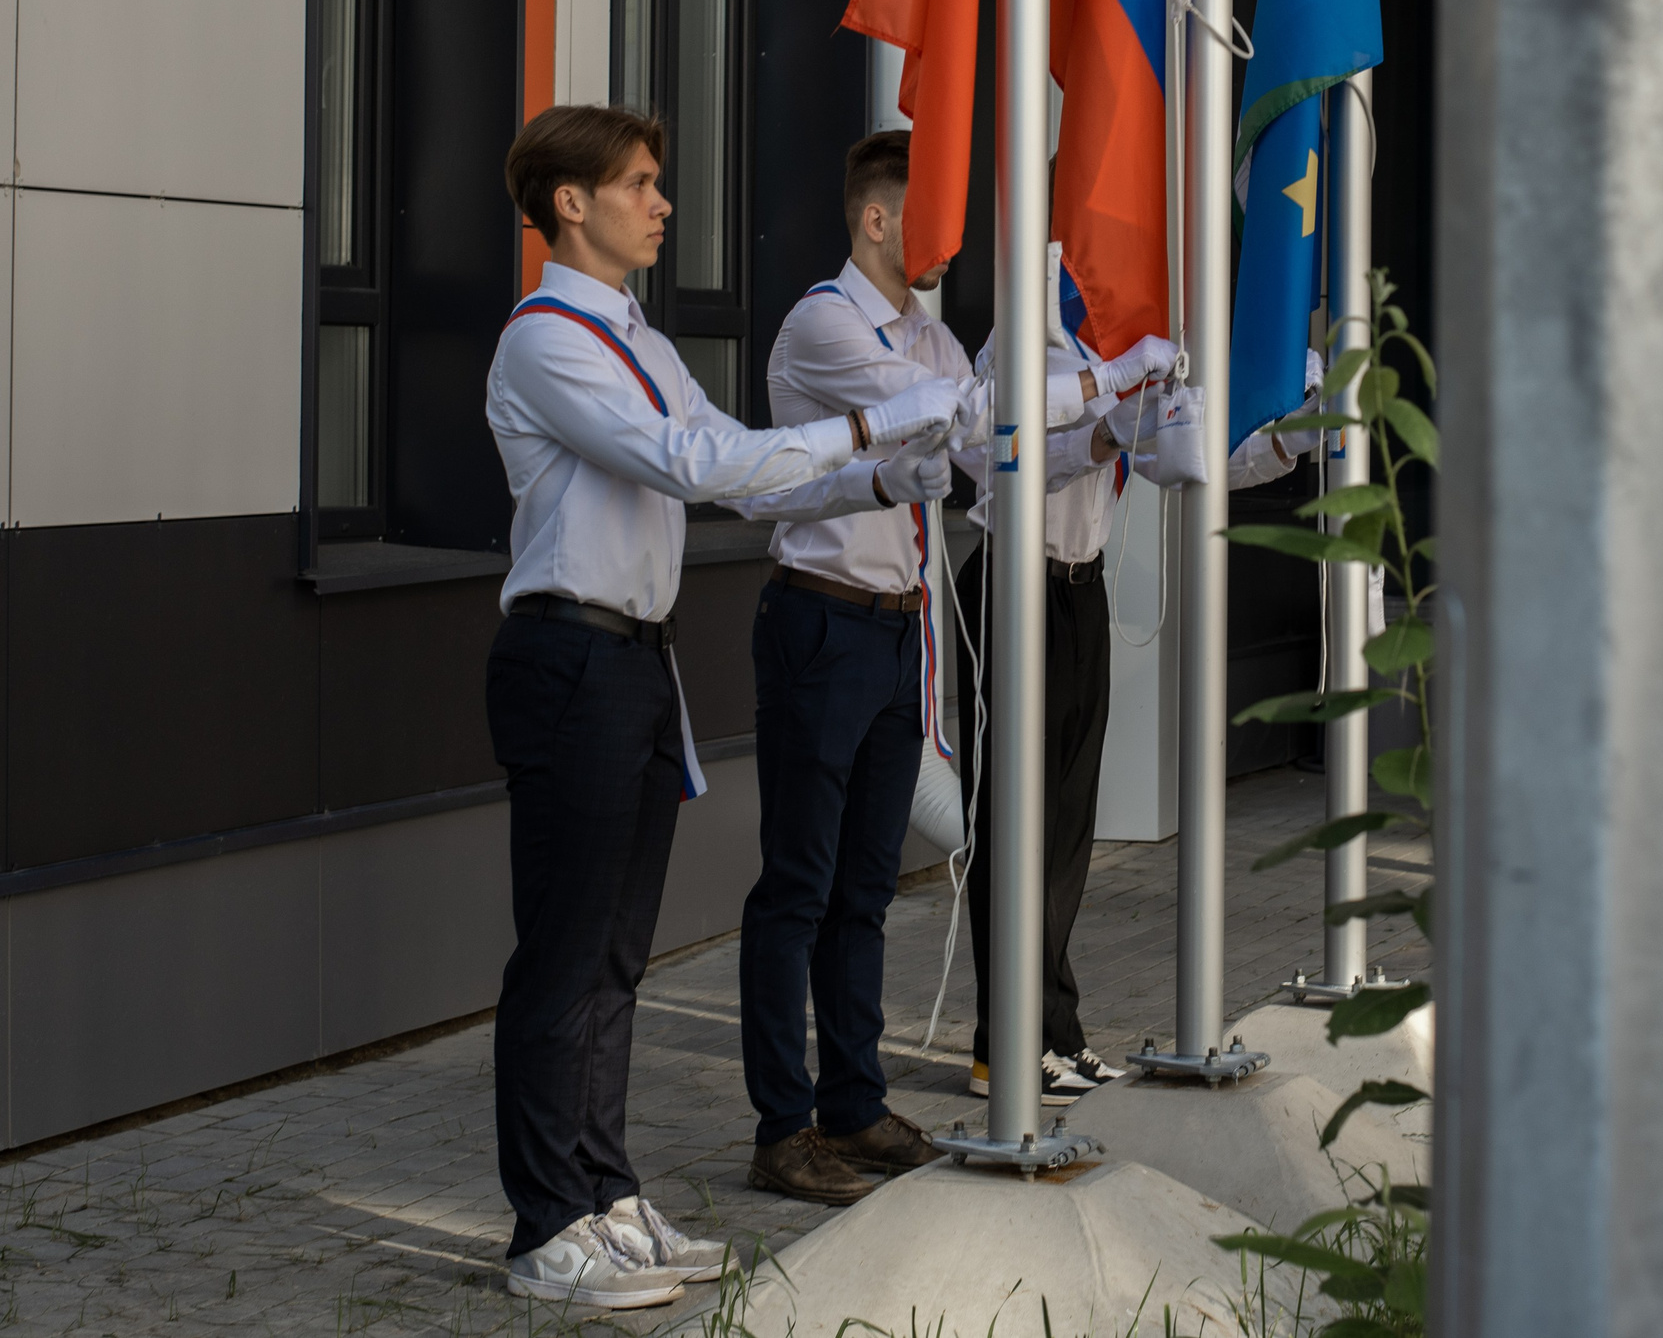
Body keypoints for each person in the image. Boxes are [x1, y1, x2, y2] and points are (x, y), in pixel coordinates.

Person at [483, 105, 957, 1308]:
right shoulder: (546, 338)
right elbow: (691, 466)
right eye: (641, 183)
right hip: (569, 658)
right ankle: (547, 1225)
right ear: (571, 204)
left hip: (635, 659)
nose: (664, 202)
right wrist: (882, 421)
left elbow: (738, 454)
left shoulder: (635, 332)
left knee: (618, 956)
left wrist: (871, 474)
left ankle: (602, 1188)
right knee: (565, 952)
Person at [729, 132, 1170, 1196]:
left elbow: (987, 457)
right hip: (822, 619)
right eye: (926, 215)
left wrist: (1102, 435)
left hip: (897, 624)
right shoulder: (826, 323)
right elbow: (962, 416)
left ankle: (855, 1100)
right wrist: (1104, 379)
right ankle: (784, 1124)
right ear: (876, 220)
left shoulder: (928, 338)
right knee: (799, 882)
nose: (947, 238)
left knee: (867, 885)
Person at [951, 301, 1322, 1104]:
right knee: (1017, 823)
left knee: (1069, 827)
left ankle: (1055, 1029)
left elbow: (1187, 453)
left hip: (1080, 590)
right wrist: (1106, 423)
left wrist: (1291, 435)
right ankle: (1000, 1044)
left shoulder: (1129, 342)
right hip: (1014, 578)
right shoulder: (1030, 336)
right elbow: (996, 454)